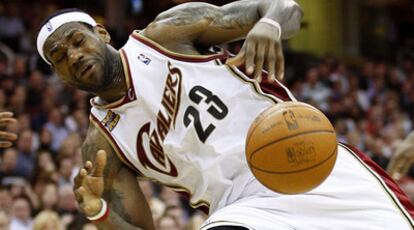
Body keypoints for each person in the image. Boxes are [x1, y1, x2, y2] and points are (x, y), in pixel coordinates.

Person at [36, 1, 414, 229]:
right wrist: (100, 212)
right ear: (58, 75)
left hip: (313, 164)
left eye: (77, 41)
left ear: (101, 33)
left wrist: (269, 24)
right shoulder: (101, 144)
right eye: (59, 56)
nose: (72, 55)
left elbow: (286, 9)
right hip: (242, 208)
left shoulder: (165, 36)